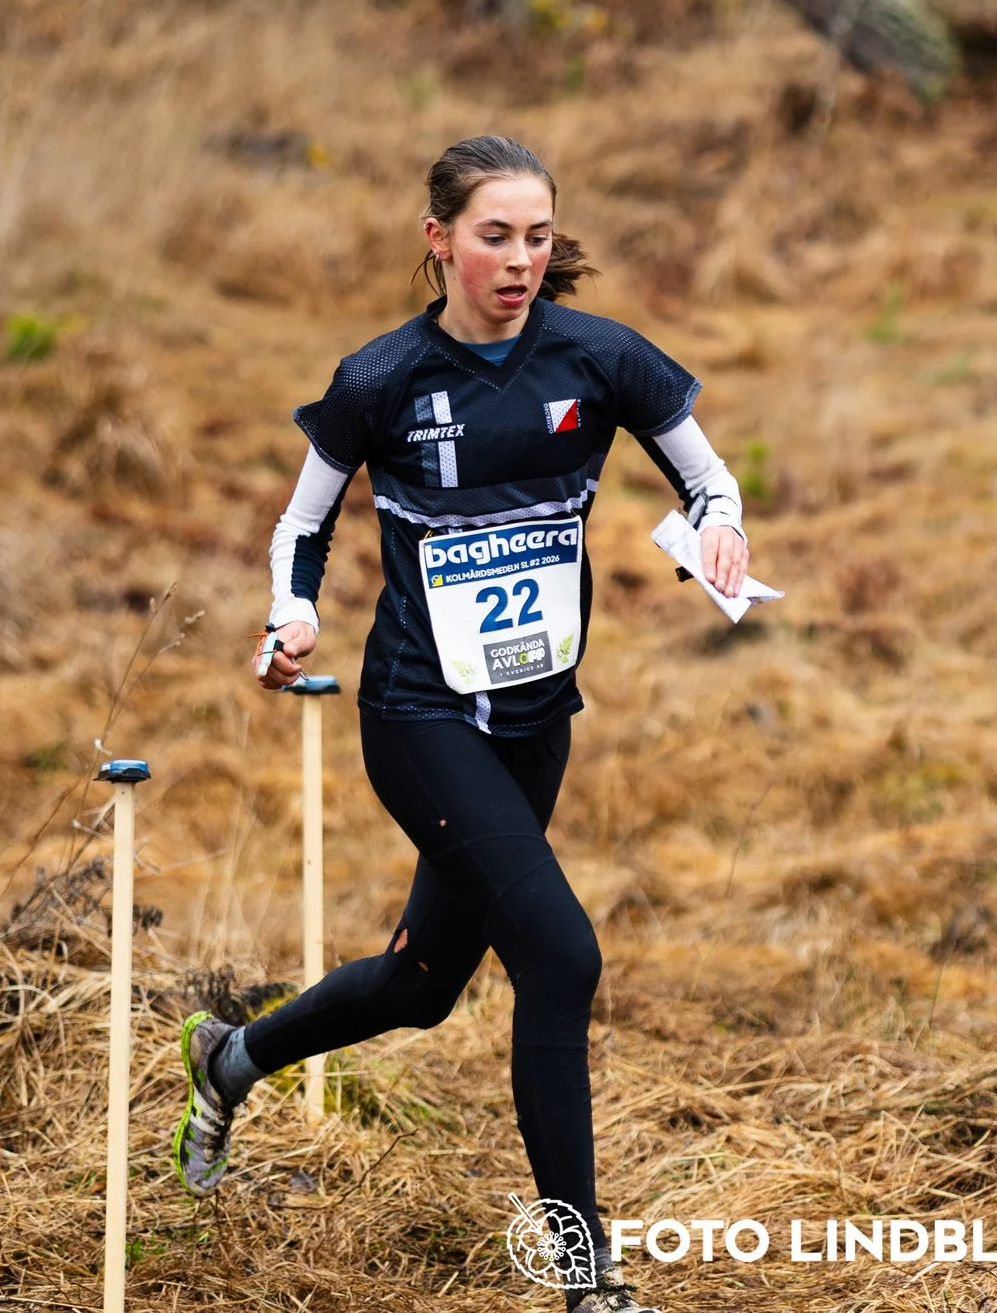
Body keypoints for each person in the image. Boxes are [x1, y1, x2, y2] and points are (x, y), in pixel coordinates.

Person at [171, 135, 749, 1313]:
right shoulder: (382, 376)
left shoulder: (602, 356)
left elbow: (710, 480)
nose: (520, 259)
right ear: (439, 239)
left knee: (425, 980)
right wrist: (292, 615)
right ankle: (590, 1282)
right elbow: (302, 523)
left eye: (538, 237)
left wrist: (722, 529)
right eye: (495, 235)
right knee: (562, 953)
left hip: (535, 716)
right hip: (419, 712)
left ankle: (230, 1059)